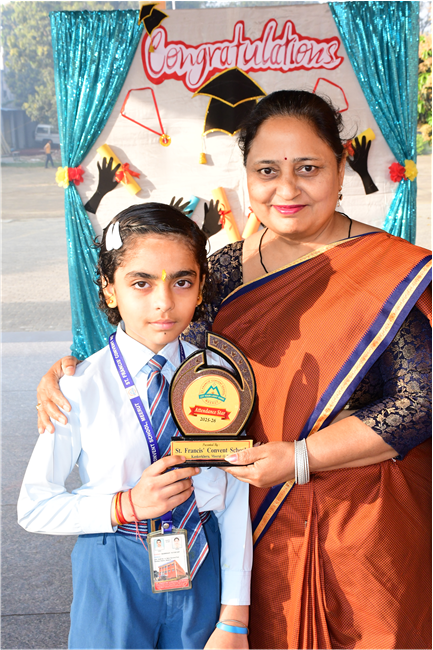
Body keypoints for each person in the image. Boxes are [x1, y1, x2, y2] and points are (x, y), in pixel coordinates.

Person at [36, 91, 432, 650]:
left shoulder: (384, 270)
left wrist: (300, 457)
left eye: (308, 168)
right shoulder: (223, 269)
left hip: (359, 524)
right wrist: (69, 373)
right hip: (249, 527)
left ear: (341, 167)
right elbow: (161, 342)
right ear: (246, 176)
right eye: (267, 171)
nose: (287, 189)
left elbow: (419, 404)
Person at [19, 204, 251, 650]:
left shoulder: (220, 377)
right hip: (113, 563)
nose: (164, 302)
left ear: (200, 286)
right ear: (109, 290)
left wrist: (235, 618)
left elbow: (236, 496)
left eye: (182, 281)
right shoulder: (79, 386)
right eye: (141, 283)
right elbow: (34, 507)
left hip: (204, 556)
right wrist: (124, 505)